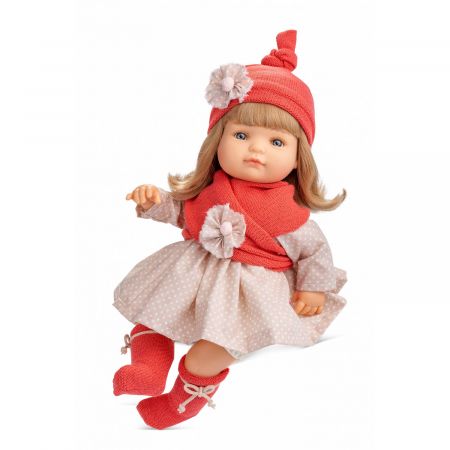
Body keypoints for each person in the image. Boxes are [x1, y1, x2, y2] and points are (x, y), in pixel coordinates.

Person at [112, 29, 348, 430]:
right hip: (193, 274)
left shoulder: (288, 211)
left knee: (212, 351)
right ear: (217, 141)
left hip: (249, 294)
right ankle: (148, 367)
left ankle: (184, 399)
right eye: (241, 135)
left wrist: (313, 288)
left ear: (298, 158)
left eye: (276, 142)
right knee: (154, 314)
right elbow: (183, 213)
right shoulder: (212, 189)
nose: (256, 149)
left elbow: (314, 250)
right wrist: (155, 202)